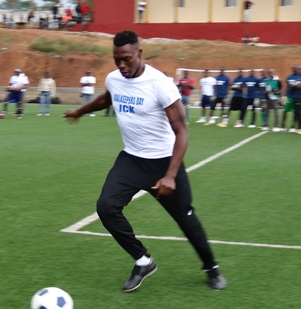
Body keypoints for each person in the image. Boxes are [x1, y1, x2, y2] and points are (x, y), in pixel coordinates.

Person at [62, 30, 226, 293]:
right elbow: (107, 99)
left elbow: (182, 132)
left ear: (139, 53)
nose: (122, 65)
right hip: (132, 160)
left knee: (185, 217)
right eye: (117, 59)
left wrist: (170, 175)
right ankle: (143, 261)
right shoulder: (114, 79)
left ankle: (211, 267)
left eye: (127, 58)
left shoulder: (159, 84)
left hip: (164, 163)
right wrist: (80, 111)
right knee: (106, 207)